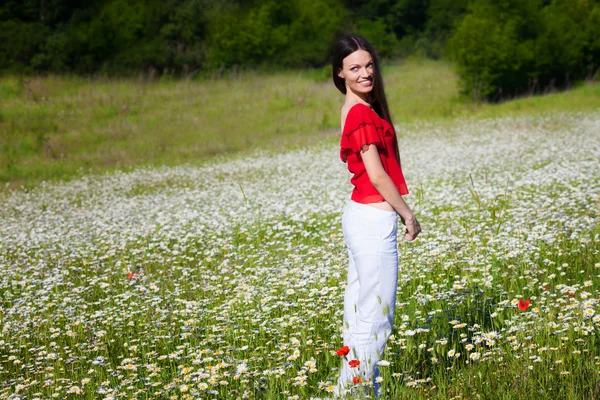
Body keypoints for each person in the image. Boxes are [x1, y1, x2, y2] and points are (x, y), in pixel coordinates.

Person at [331, 34, 421, 398]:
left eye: (368, 65)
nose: (365, 73)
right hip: (373, 220)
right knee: (377, 316)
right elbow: (377, 174)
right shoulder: (360, 113)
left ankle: (363, 391)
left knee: (359, 312)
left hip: (360, 215)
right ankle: (350, 392)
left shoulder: (354, 109)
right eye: (354, 68)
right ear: (340, 73)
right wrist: (408, 215)